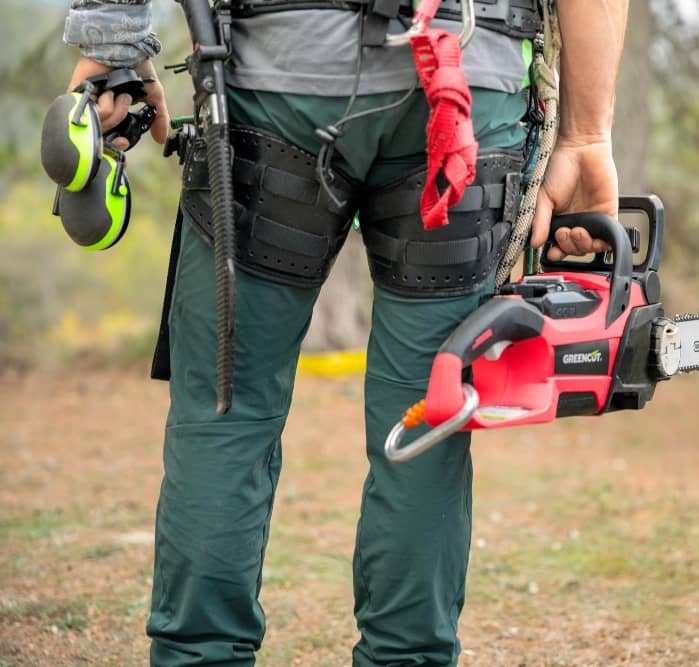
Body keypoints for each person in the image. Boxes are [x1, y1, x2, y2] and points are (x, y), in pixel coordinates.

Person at [62, 0, 628, 664]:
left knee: (228, 408)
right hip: (467, 77)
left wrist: (115, 47)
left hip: (276, 76)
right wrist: (586, 135)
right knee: (428, 417)